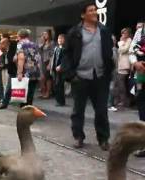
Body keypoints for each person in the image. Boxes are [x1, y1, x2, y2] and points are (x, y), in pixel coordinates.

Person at [62, 3, 114, 151]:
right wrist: (71, 75)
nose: (94, 12)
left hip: (100, 76)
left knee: (101, 110)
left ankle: (103, 139)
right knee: (78, 110)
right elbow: (67, 55)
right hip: (81, 77)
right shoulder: (74, 32)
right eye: (91, 10)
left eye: (95, 10)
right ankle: (78, 137)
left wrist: (109, 71)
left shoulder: (104, 31)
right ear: (83, 15)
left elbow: (109, 52)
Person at [129, 21, 145, 157]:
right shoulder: (141, 34)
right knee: (142, 108)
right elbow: (132, 50)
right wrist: (135, 62)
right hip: (142, 75)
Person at [16, 29, 42, 107]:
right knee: (31, 92)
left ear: (20, 36)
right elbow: (38, 58)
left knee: (24, 92)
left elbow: (21, 58)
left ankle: (24, 111)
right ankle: (29, 108)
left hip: (26, 72)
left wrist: (19, 72)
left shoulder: (20, 44)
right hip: (35, 71)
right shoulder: (35, 44)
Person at [0, 34, 17, 109]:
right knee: (8, 89)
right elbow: (7, 60)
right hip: (11, 71)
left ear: (7, 43)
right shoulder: (7, 50)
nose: (0, 45)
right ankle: (5, 103)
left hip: (16, 71)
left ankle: (22, 102)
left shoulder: (13, 49)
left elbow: (14, 60)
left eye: (2, 43)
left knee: (19, 87)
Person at [115, 28, 132, 108]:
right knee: (119, 83)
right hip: (121, 65)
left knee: (121, 83)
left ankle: (124, 101)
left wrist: (121, 42)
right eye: (122, 33)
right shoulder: (124, 41)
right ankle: (121, 101)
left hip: (125, 65)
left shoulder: (129, 40)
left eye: (124, 33)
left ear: (128, 34)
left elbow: (123, 50)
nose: (123, 35)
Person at [51, 34, 66, 106]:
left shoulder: (65, 49)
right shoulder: (56, 48)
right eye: (59, 39)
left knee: (60, 85)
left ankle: (61, 101)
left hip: (61, 69)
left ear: (64, 40)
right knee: (56, 85)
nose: (60, 40)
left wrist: (61, 66)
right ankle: (58, 100)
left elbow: (66, 59)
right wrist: (52, 67)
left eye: (61, 39)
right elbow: (53, 58)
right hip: (55, 69)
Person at [39, 29, 55, 99]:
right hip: (42, 61)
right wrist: (42, 42)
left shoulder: (52, 43)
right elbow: (39, 51)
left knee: (48, 78)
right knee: (43, 78)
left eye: (45, 34)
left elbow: (53, 54)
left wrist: (50, 64)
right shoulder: (43, 43)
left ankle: (48, 93)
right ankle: (44, 92)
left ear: (49, 35)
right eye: (43, 34)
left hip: (48, 61)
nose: (44, 35)